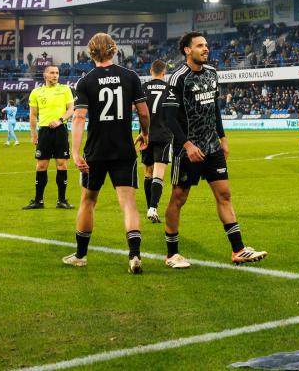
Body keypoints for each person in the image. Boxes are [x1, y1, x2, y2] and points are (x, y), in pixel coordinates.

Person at [162, 32, 267, 268]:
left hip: (212, 147)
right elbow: (168, 117)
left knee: (224, 195)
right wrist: (187, 145)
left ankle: (238, 250)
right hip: (186, 150)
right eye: (200, 45)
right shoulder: (178, 78)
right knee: (179, 198)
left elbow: (214, 109)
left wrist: (223, 138)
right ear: (187, 50)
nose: (205, 48)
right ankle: (172, 254)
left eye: (206, 45)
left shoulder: (212, 73)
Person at [63, 33, 150, 273]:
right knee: (129, 204)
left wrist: (75, 152)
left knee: (88, 201)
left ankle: (81, 255)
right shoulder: (130, 76)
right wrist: (145, 133)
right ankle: (134, 255)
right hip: (124, 150)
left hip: (96, 152)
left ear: (90, 53)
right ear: (114, 50)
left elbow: (79, 117)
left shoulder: (85, 81)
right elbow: (143, 112)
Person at [24, 65, 75, 209]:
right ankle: (38, 201)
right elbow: (33, 115)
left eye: (57, 73)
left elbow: (71, 109)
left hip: (60, 130)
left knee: (62, 164)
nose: (55, 75)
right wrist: (33, 133)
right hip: (44, 132)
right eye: (52, 73)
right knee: (41, 165)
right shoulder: (36, 92)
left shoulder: (65, 89)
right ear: (45, 75)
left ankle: (62, 200)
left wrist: (60, 120)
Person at [141, 60, 172, 223]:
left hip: (145, 135)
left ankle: (149, 208)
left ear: (150, 71)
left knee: (148, 172)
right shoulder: (170, 89)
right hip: (163, 135)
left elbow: (135, 109)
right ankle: (153, 208)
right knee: (158, 174)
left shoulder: (143, 88)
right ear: (164, 73)